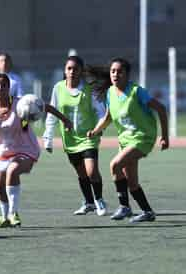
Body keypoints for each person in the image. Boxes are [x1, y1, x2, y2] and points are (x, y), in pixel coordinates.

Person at [0, 73, 72, 228]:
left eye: (4, 85)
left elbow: (44, 106)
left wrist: (65, 119)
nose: (0, 88)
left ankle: (13, 214)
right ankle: (4, 217)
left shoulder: (21, 104)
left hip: (26, 149)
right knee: (0, 187)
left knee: (12, 171)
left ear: (9, 88)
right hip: (3, 152)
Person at [87, 57, 169, 223]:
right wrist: (95, 131)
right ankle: (147, 211)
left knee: (114, 165)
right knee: (132, 183)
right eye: (113, 71)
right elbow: (108, 116)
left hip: (142, 138)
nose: (115, 74)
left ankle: (124, 207)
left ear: (127, 74)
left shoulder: (136, 91)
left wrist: (165, 136)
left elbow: (161, 108)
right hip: (125, 141)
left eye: (119, 71)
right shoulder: (110, 92)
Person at [42, 55, 108, 216]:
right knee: (81, 173)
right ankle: (88, 202)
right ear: (65, 71)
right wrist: (48, 137)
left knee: (91, 171)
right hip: (70, 139)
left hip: (88, 137)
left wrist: (99, 128)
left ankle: (99, 200)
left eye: (75, 69)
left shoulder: (89, 89)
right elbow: (52, 112)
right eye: (69, 68)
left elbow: (100, 111)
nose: (72, 72)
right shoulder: (58, 88)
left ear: (81, 71)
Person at [0, 53, 24, 184]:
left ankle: (9, 169)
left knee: (9, 144)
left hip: (12, 115)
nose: (4, 63)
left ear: (10, 63)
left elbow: (21, 98)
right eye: (1, 60)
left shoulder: (15, 80)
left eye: (6, 60)